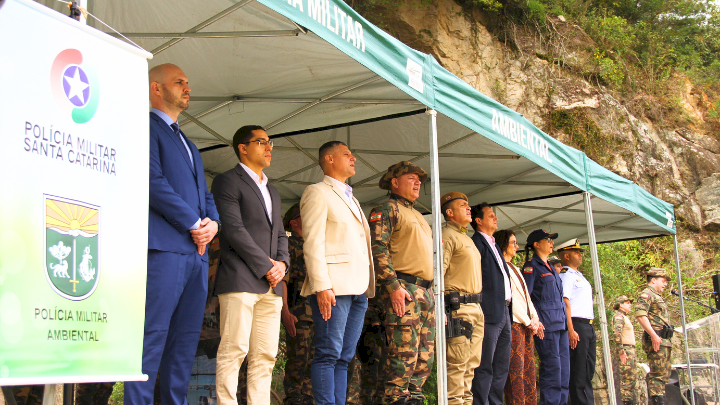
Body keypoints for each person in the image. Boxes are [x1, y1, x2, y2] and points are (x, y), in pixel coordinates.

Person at [125, 63, 220, 405]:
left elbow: (205, 194)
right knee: (152, 339)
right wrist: (195, 224)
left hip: (196, 254)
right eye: (179, 82)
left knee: (184, 345)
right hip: (164, 250)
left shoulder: (190, 144)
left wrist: (213, 223)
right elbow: (152, 183)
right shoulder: (145, 128)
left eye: (188, 82)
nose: (187, 87)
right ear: (156, 89)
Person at [211, 125, 289, 405]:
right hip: (239, 279)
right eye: (261, 142)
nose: (269, 147)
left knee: (266, 355)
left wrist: (283, 264)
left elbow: (280, 233)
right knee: (234, 349)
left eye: (270, 142)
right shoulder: (227, 181)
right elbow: (233, 229)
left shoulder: (273, 190)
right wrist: (266, 265)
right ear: (242, 148)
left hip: (271, 286)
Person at [299, 140, 375, 405]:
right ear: (329, 159)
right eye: (346, 154)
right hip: (333, 287)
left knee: (344, 356)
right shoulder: (317, 192)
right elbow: (313, 241)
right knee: (328, 354)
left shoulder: (350, 197)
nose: (353, 158)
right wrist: (321, 286)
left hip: (358, 289)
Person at [369, 161, 435, 405]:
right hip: (403, 289)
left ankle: (414, 399)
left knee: (423, 360)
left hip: (425, 292)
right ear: (394, 183)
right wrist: (392, 286)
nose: (418, 182)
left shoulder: (418, 215)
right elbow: (377, 248)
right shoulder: (387, 208)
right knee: (402, 356)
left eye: (419, 179)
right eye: (411, 178)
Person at [440, 192, 485, 405]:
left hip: (475, 307)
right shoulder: (447, 235)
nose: (469, 208)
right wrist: (441, 308)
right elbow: (438, 273)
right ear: (450, 212)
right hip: (458, 308)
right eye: (463, 205)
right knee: (456, 366)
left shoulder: (466, 238)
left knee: (470, 367)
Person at [470, 203, 512, 405]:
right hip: (488, 311)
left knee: (501, 365)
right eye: (491, 215)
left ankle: (496, 402)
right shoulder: (476, 243)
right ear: (478, 221)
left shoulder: (494, 244)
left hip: (504, 310)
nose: (496, 219)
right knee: (485, 364)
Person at [496, 229, 543, 405]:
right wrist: (527, 320)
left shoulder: (514, 267)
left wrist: (535, 318)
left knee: (528, 371)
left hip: (526, 325)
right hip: (515, 324)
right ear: (503, 244)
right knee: (515, 373)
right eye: (513, 242)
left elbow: (526, 297)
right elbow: (510, 299)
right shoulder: (500, 266)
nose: (516, 246)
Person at [521, 229, 569, 405]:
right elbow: (527, 296)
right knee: (552, 369)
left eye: (552, 240)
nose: (551, 243)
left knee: (564, 370)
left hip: (560, 324)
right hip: (546, 325)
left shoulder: (550, 266)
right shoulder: (531, 266)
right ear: (536, 244)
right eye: (548, 239)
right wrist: (536, 321)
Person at [281, 203, 314, 405]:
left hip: (321, 314)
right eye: (305, 214)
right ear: (294, 222)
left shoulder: (316, 244)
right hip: (299, 314)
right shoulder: (288, 245)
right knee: (298, 362)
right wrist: (285, 312)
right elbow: (282, 281)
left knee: (315, 362)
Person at [556, 238, 596, 405]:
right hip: (576, 324)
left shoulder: (578, 275)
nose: (580, 255)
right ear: (566, 256)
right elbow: (565, 302)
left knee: (588, 369)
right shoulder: (566, 275)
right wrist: (571, 330)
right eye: (576, 252)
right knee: (579, 372)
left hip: (587, 325)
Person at [636, 268, 673, 405]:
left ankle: (659, 400)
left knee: (663, 375)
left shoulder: (656, 295)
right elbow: (640, 315)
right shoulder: (646, 294)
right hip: (656, 340)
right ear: (653, 280)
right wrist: (653, 335)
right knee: (657, 375)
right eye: (663, 281)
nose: (665, 284)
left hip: (663, 340)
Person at [612, 295, 637, 405]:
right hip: (626, 349)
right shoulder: (619, 317)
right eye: (627, 303)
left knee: (631, 378)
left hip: (630, 349)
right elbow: (617, 334)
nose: (630, 305)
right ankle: (627, 402)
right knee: (627, 379)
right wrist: (621, 351)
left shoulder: (624, 317)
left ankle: (629, 401)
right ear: (621, 304)